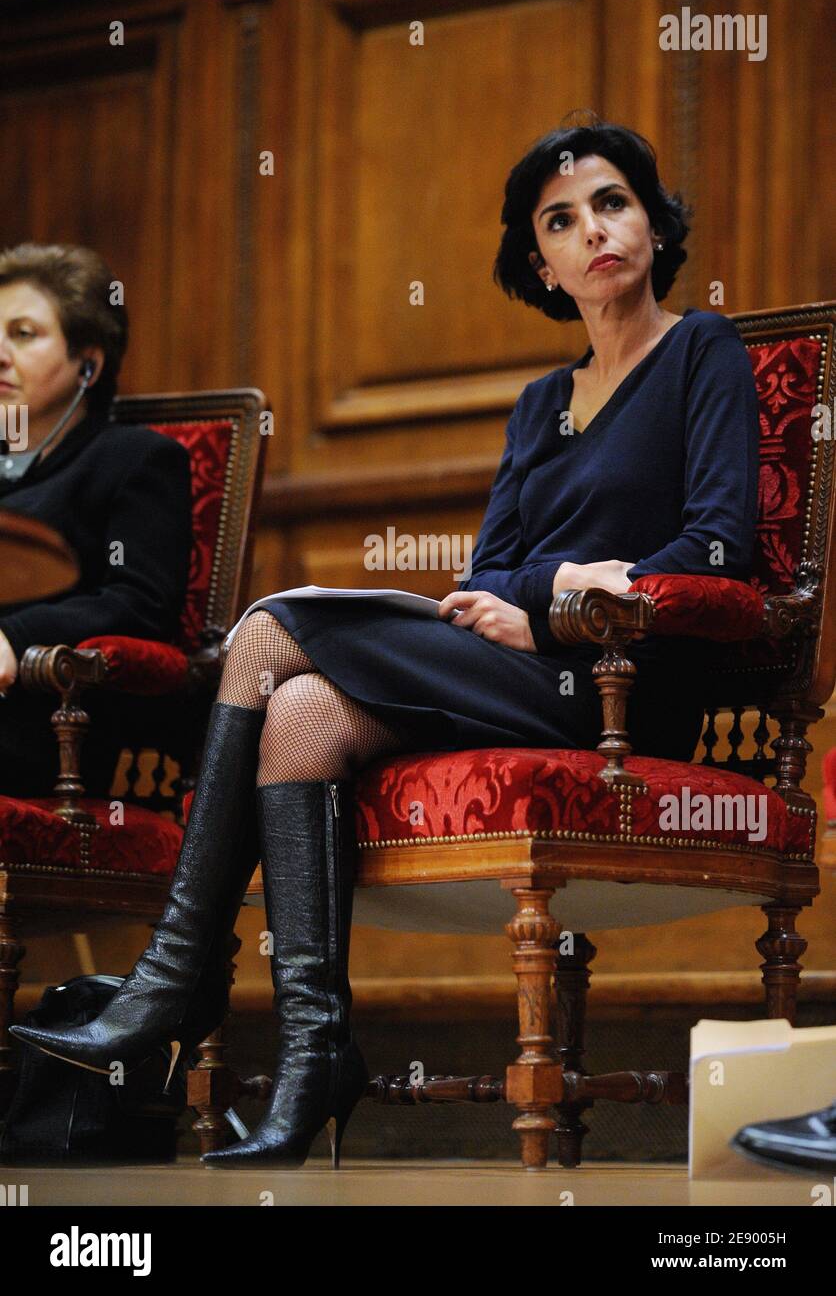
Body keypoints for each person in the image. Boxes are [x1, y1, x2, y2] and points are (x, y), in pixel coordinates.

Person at [10, 118, 761, 1169]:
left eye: (610, 202)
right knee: (300, 711)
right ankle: (317, 1049)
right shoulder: (541, 402)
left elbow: (718, 544)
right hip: (516, 658)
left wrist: (545, 606)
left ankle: (171, 983)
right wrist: (525, 594)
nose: (590, 230)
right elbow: (487, 568)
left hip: (614, 687)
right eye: (559, 220)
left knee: (270, 626)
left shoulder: (702, 351)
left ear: (648, 218)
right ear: (537, 262)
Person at [0, 243, 193, 796]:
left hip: (52, 721)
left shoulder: (135, 458)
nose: (0, 352)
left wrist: (16, 637)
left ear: (88, 363)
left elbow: (138, 603)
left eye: (24, 333)